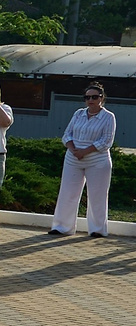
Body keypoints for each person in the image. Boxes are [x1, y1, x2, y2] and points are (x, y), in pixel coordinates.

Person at [53, 84, 116, 237]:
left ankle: (97, 230)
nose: (90, 100)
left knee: (97, 195)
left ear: (102, 98)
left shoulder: (109, 117)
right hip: (73, 158)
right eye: (87, 97)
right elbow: (67, 134)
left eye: (94, 97)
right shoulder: (78, 114)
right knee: (68, 193)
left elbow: (106, 141)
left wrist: (85, 151)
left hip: (97, 160)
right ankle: (62, 227)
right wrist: (74, 149)